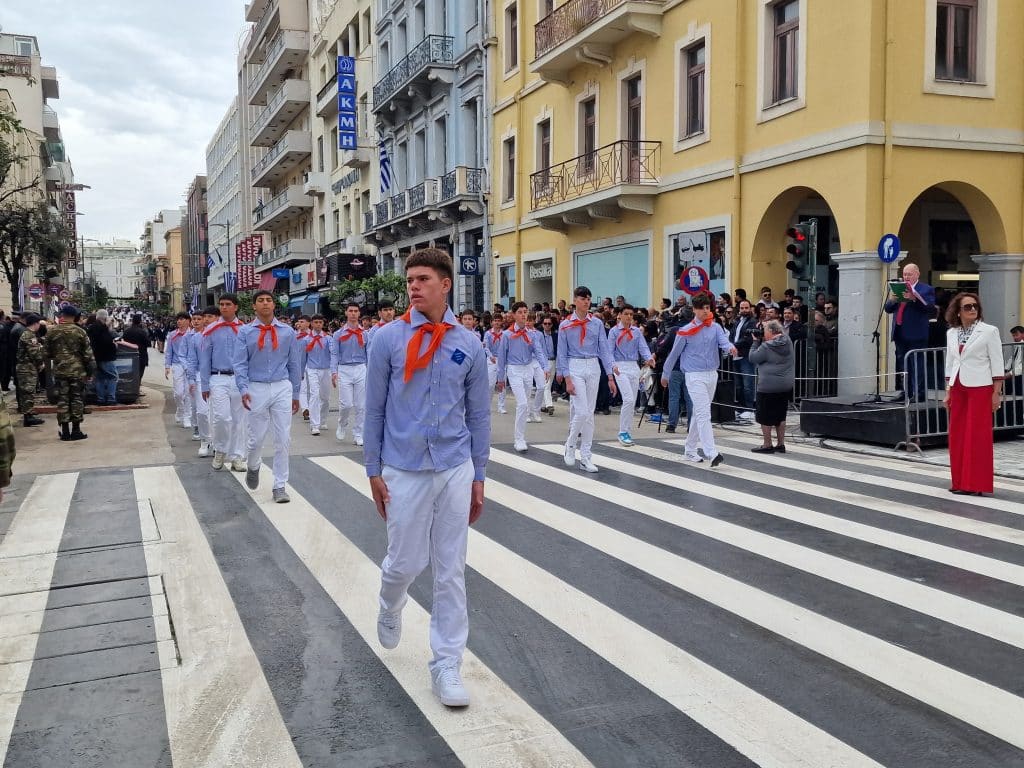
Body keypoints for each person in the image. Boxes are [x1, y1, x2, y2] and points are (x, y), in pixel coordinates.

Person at [364, 247, 489, 708]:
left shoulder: (470, 344)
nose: (413, 287)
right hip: (404, 467)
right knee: (405, 562)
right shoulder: (387, 340)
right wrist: (373, 470)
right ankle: (391, 601)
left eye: (422, 279)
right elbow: (373, 409)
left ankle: (446, 663)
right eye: (410, 280)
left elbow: (478, 415)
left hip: (455, 465)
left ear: (445, 284)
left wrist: (479, 474)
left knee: (450, 569)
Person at [234, 291, 302, 503]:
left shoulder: (288, 332)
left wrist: (296, 392)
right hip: (256, 387)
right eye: (261, 301)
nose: (265, 304)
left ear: (274, 305)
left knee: (283, 438)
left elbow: (294, 363)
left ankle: (279, 485)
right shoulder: (245, 332)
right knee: (256, 439)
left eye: (269, 300)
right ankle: (253, 465)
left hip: (282, 386)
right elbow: (240, 363)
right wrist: (243, 389)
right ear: (254, 306)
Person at [660, 294, 738, 467]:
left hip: (712, 373)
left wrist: (730, 348)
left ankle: (689, 449)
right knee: (704, 413)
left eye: (708, 308)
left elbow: (723, 342)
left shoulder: (715, 327)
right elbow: (674, 354)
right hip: (693, 376)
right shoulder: (685, 331)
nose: (705, 311)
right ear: (694, 309)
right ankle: (712, 452)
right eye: (702, 308)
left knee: (698, 413)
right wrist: (665, 374)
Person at [943, 293, 1004, 496]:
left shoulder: (989, 331)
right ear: (958, 311)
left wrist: (996, 393)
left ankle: (976, 484)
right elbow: (950, 363)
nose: (972, 310)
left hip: (980, 386)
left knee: (977, 436)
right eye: (967, 307)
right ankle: (959, 481)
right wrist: (948, 391)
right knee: (957, 435)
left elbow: (997, 363)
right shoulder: (952, 333)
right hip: (958, 386)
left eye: (975, 306)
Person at [557, 286, 617, 473]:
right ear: (575, 300)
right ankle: (571, 443)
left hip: (593, 365)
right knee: (581, 410)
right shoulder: (565, 325)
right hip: (574, 365)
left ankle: (586, 456)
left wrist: (610, 375)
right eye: (583, 298)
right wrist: (566, 378)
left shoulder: (597, 323)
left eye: (589, 299)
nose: (586, 302)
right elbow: (562, 354)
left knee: (589, 414)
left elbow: (604, 349)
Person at [200, 294, 247, 473]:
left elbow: (249, 356)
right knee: (221, 417)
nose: (224, 307)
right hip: (217, 377)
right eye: (222, 304)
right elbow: (204, 359)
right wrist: (204, 384)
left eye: (228, 304)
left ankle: (237, 456)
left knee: (238, 419)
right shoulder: (211, 329)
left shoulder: (245, 329)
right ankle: (220, 449)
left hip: (239, 378)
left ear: (235, 307)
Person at [496, 302, 548, 453]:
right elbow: (501, 358)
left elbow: (538, 351)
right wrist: (501, 378)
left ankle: (522, 436)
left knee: (525, 405)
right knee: (523, 404)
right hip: (514, 369)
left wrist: (545, 367)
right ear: (513, 315)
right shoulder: (506, 335)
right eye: (520, 312)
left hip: (528, 368)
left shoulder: (532, 334)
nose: (523, 315)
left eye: (525, 312)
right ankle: (518, 439)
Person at [884, 263, 935, 402]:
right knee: (903, 364)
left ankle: (919, 393)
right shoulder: (899, 289)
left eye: (909, 274)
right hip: (900, 332)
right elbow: (887, 309)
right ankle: (906, 391)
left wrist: (913, 298)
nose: (906, 277)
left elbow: (929, 308)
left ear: (917, 274)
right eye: (905, 274)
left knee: (917, 364)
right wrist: (892, 300)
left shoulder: (925, 289)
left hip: (916, 333)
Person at [44, 305, 96, 442]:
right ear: (74, 316)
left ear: (62, 315)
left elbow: (46, 353)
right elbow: (88, 356)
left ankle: (65, 431)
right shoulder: (80, 332)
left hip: (60, 371)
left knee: (62, 400)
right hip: (77, 372)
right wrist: (90, 372)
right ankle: (76, 430)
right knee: (77, 399)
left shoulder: (52, 332)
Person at [608, 305, 654, 446]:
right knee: (628, 398)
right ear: (619, 315)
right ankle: (622, 432)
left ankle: (627, 431)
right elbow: (609, 351)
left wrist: (649, 358)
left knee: (632, 401)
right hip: (620, 367)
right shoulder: (614, 332)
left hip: (633, 366)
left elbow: (643, 347)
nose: (629, 316)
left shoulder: (637, 332)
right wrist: (612, 366)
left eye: (631, 314)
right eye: (626, 314)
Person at [748, 320, 795, 453]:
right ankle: (780, 444)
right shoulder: (788, 341)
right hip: (785, 385)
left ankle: (767, 444)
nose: (763, 333)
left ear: (771, 332)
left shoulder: (766, 346)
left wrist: (755, 342)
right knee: (780, 415)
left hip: (768, 386)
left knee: (765, 416)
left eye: (765, 330)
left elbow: (753, 358)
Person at [330, 302, 368, 446]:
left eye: (356, 311)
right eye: (350, 311)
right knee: (346, 404)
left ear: (359, 314)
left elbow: (368, 353)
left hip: (360, 368)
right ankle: (342, 423)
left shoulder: (365, 334)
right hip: (344, 369)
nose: (353, 313)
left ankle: (358, 433)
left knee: (361, 405)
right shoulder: (338, 334)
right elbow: (334, 354)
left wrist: (370, 371)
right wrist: (334, 372)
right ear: (346, 313)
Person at [185, 308, 218, 456]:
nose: (205, 320)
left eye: (209, 317)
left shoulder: (221, 336)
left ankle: (218, 443)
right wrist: (191, 379)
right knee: (202, 412)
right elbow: (192, 360)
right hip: (199, 376)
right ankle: (205, 440)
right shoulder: (196, 338)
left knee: (219, 413)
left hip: (219, 376)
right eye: (204, 317)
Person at [303, 314, 333, 436]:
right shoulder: (306, 339)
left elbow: (333, 354)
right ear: (311, 323)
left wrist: (335, 370)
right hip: (312, 369)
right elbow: (302, 357)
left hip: (326, 369)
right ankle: (314, 424)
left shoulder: (328, 339)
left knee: (325, 397)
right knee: (314, 394)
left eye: (320, 322)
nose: (318, 324)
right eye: (316, 322)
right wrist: (301, 371)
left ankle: (323, 419)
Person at [15, 313, 46, 427]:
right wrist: (40, 363)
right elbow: (34, 353)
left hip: (26, 367)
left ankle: (29, 414)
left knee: (28, 392)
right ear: (35, 323)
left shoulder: (28, 334)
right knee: (28, 392)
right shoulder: (29, 335)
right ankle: (28, 416)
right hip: (26, 368)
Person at [728, 299, 756, 419]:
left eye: (746, 308)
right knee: (738, 384)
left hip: (745, 356)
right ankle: (740, 407)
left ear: (750, 308)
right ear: (739, 309)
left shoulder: (752, 322)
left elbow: (747, 338)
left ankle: (749, 408)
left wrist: (734, 346)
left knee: (747, 383)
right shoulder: (737, 321)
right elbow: (731, 335)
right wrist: (730, 345)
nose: (744, 310)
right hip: (736, 355)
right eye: (742, 308)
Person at [164, 312, 193, 427]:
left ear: (188, 321)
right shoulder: (172, 335)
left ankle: (187, 416)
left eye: (182, 319)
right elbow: (169, 352)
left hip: (190, 365)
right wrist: (167, 366)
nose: (179, 322)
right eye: (178, 319)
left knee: (188, 392)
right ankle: (180, 409)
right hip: (177, 365)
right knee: (178, 393)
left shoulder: (193, 334)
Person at [87, 309, 119, 406]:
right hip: (106, 357)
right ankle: (111, 398)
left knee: (100, 378)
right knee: (113, 377)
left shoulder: (92, 327)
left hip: (96, 357)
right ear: (105, 318)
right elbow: (106, 342)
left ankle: (100, 399)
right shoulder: (101, 328)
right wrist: (114, 345)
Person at [483, 314, 507, 414]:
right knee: (490, 384)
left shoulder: (504, 334)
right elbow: (486, 346)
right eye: (495, 320)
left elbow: (506, 347)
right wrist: (490, 356)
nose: (497, 322)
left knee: (502, 383)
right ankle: (487, 405)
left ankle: (501, 406)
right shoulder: (488, 334)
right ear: (492, 322)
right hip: (491, 360)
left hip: (502, 360)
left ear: (501, 322)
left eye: (498, 321)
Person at [536, 313, 558, 414]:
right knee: (546, 383)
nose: (547, 325)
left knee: (548, 384)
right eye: (545, 323)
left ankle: (544, 405)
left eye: (549, 323)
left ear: (552, 325)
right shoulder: (539, 335)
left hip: (553, 361)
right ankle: (549, 405)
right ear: (542, 324)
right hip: (543, 362)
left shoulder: (555, 336)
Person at [122, 314, 150, 383]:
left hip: (128, 355)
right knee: (140, 373)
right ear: (140, 321)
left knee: (130, 373)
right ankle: (137, 386)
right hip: (141, 355)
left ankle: (130, 387)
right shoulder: (142, 332)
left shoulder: (126, 331)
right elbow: (148, 343)